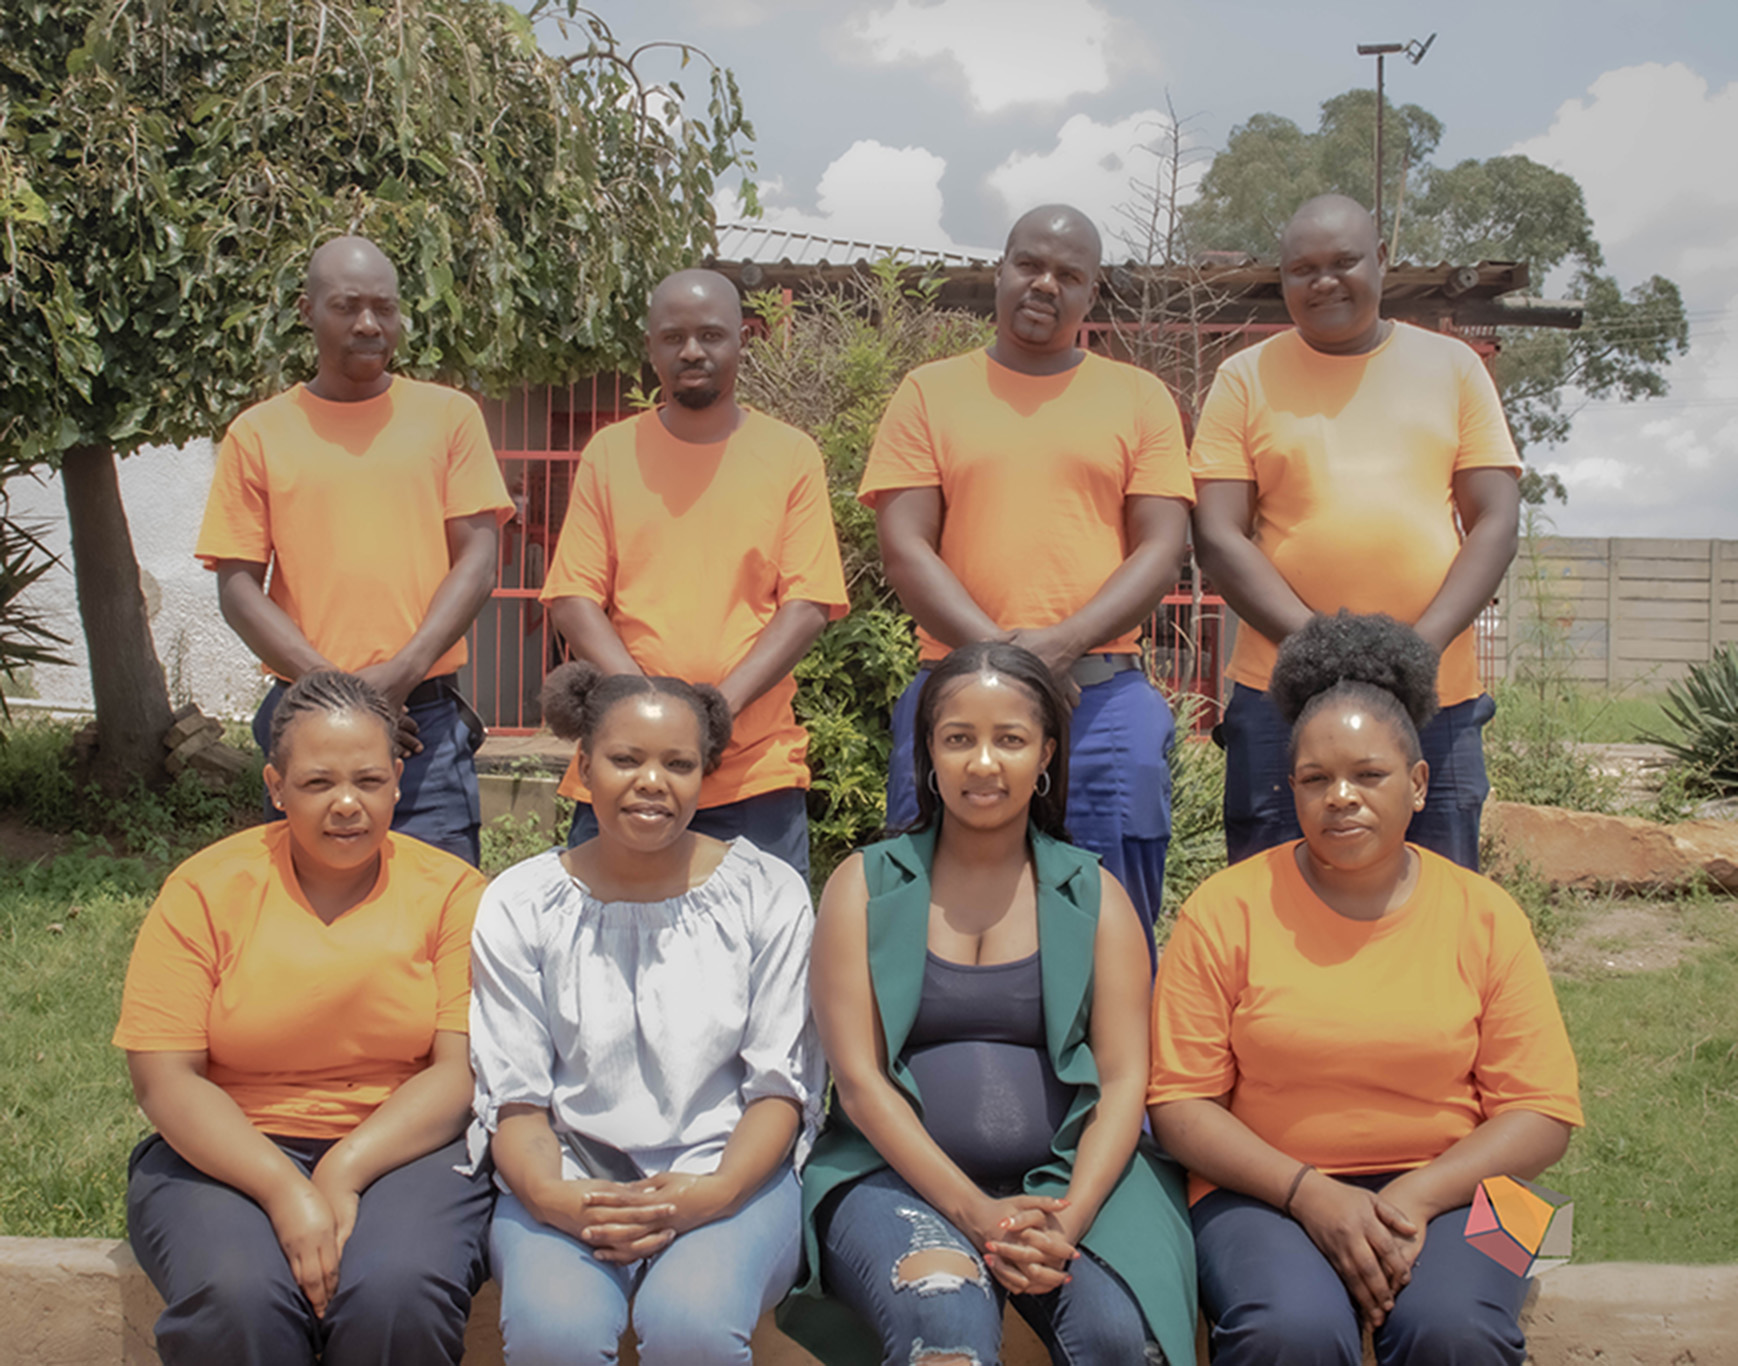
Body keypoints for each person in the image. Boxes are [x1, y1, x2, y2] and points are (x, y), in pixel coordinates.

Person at [1148, 611, 1583, 1366]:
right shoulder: (1225, 909)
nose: (1341, 796)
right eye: (1316, 780)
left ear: (1418, 785)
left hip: (1470, 1190)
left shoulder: (1485, 914)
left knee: (1459, 1331)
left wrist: (1414, 1197)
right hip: (1263, 1191)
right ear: (1292, 790)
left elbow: (1543, 1114)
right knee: (1289, 1332)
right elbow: (1180, 1108)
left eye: (1368, 775)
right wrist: (1312, 1194)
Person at [783, 641, 1197, 1366]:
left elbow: (1126, 1080)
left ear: (1046, 756)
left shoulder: (1095, 897)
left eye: (1009, 739)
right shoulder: (864, 887)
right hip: (891, 1177)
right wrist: (976, 1215)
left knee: (1120, 1340)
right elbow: (859, 1080)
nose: (983, 763)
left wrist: (1066, 1221)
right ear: (928, 755)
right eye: (958, 739)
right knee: (947, 1332)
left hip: (1077, 1183)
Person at [115, 671, 493, 1366]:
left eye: (369, 781)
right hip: (227, 1147)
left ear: (399, 780)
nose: (347, 804)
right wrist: (285, 1189)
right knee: (237, 1298)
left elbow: (460, 1070)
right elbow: (165, 1080)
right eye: (318, 783)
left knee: (397, 1293)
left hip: (409, 1149)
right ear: (275, 785)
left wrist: (345, 1169)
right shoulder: (205, 890)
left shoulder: (453, 895)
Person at [468, 661, 822, 1366]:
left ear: (705, 772)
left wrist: (711, 1192)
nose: (651, 782)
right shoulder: (520, 903)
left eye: (678, 763)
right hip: (569, 1177)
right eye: (624, 759)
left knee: (692, 1327)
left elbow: (780, 1087)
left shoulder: (769, 895)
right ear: (583, 766)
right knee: (553, 1336)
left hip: (730, 1177)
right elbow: (516, 1097)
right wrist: (554, 1196)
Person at [863, 204, 1193, 959]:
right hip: (952, 692)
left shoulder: (1139, 399)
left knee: (1110, 922)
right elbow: (906, 547)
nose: (1045, 284)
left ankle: (1114, 1074)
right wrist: (1008, 664)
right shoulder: (929, 393)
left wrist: (1062, 645)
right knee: (926, 909)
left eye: (1069, 274)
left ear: (1092, 293)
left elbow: (1162, 544)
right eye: (1029, 265)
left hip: (1102, 701)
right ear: (1000, 270)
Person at [1190, 193, 1522, 870]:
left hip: (1434, 694)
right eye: (1301, 268)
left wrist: (1417, 652)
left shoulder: (1452, 368)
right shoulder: (1243, 380)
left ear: (1381, 260)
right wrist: (1315, 647)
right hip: (1281, 690)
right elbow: (1219, 534)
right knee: (1272, 899)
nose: (1323, 281)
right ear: (1281, 279)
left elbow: (1495, 517)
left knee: (1437, 902)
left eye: (1343, 262)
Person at [197, 234, 514, 866]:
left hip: (420, 720)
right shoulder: (259, 433)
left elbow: (477, 562)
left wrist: (398, 677)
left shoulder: (449, 417)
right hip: (302, 715)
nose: (369, 324)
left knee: (438, 912)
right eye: (347, 306)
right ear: (306, 309)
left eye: (385, 307)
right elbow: (236, 585)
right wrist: (337, 694)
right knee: (310, 920)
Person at [541, 268, 849, 882]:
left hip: (752, 768)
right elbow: (574, 597)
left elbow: (808, 602)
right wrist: (647, 709)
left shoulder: (789, 455)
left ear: (743, 340)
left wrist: (715, 714)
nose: (692, 351)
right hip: (626, 772)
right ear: (650, 347)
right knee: (606, 962)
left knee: (758, 964)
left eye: (711, 335)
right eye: (673, 336)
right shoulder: (610, 453)